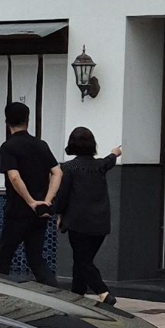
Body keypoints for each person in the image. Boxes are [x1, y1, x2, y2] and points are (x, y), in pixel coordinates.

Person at [53, 126, 123, 305]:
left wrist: (59, 214)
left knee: (83, 261)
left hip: (78, 223)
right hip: (100, 224)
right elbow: (110, 160)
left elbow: (63, 195)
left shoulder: (69, 168)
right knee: (83, 259)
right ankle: (77, 293)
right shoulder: (100, 166)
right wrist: (115, 153)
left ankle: (103, 292)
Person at [0, 101, 60, 285]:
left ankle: (1, 295)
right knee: (36, 259)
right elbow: (57, 172)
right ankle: (55, 294)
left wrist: (30, 201)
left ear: (6, 121)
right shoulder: (41, 144)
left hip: (17, 211)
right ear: (28, 120)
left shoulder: (8, 147)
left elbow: (14, 177)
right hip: (40, 214)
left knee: (4, 258)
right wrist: (45, 201)